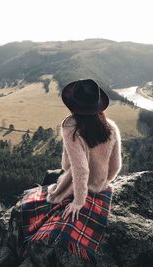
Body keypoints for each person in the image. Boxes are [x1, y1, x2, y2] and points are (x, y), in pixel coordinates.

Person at [20, 79, 122, 263]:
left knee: (48, 185)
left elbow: (79, 169)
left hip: (78, 184)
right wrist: (104, 182)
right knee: (54, 176)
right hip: (100, 184)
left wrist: (78, 201)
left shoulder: (70, 126)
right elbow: (116, 166)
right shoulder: (111, 127)